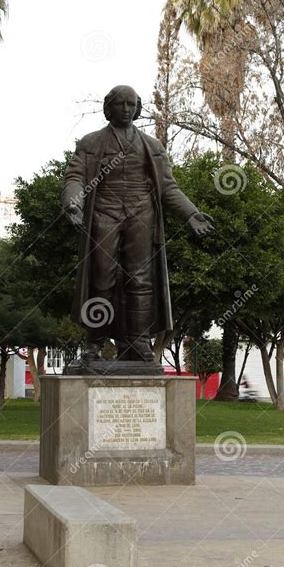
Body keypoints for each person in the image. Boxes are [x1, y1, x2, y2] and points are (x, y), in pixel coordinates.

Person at [62, 84, 214, 363]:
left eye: (131, 104)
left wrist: (191, 214)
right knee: (102, 278)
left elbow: (168, 187)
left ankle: (137, 342)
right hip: (103, 212)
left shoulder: (152, 146)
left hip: (141, 213)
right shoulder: (90, 142)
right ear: (109, 108)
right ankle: (94, 344)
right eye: (120, 104)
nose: (126, 109)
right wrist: (74, 203)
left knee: (140, 279)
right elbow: (75, 177)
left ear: (138, 108)